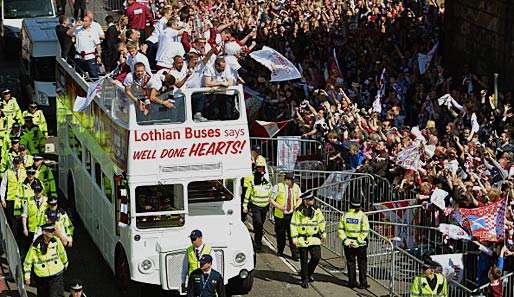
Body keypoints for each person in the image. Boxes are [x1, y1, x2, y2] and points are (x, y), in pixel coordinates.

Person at [291, 191, 326, 288]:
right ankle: (304, 279)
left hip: (314, 237)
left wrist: (323, 232)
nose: (312, 201)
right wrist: (294, 237)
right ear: (305, 201)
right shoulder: (298, 211)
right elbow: (293, 225)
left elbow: (321, 221)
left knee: (316, 257)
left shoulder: (317, 210)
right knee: (304, 260)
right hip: (302, 238)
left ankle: (309, 273)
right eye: (310, 199)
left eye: (313, 199)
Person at [23, 223, 68, 297]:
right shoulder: (35, 245)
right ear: (44, 232)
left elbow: (62, 253)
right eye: (50, 231)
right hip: (42, 276)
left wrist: (65, 263)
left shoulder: (56, 241)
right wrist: (27, 276)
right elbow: (28, 261)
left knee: (56, 295)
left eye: (53, 230)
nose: (53, 232)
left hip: (56, 274)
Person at [338, 200, 370, 289]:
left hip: (348, 243)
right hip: (361, 244)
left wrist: (346, 241)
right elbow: (365, 231)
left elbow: (340, 229)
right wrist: (358, 241)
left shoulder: (345, 215)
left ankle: (351, 282)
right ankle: (363, 283)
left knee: (350, 262)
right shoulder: (363, 216)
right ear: (359, 206)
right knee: (362, 263)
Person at [243, 158, 272, 251]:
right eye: (259, 168)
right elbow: (248, 194)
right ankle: (258, 243)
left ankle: (258, 238)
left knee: (260, 225)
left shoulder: (266, 180)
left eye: (262, 168)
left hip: (265, 207)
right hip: (255, 206)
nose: (261, 170)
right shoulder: (252, 179)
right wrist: (245, 205)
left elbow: (270, 192)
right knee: (258, 224)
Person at [270, 173, 301, 260]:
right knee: (280, 235)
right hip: (280, 215)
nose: (292, 183)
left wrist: (297, 205)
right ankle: (280, 251)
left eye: (293, 181)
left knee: (293, 235)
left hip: (291, 214)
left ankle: (295, 254)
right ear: (286, 180)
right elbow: (271, 200)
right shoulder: (278, 187)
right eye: (291, 180)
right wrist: (279, 207)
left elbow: (300, 198)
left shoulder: (296, 187)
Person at [0, 156, 26, 229]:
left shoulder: (24, 172)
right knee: (12, 220)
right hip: (11, 199)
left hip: (21, 199)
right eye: (15, 163)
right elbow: (3, 186)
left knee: (20, 219)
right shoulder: (8, 172)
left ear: (21, 163)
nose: (17, 165)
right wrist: (2, 199)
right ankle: (14, 236)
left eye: (18, 163)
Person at [21, 181, 47, 251]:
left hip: (43, 230)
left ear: (42, 191)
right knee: (31, 248)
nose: (37, 193)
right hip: (32, 229)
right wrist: (25, 228)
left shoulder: (47, 201)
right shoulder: (29, 200)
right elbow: (24, 215)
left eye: (39, 191)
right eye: (36, 191)